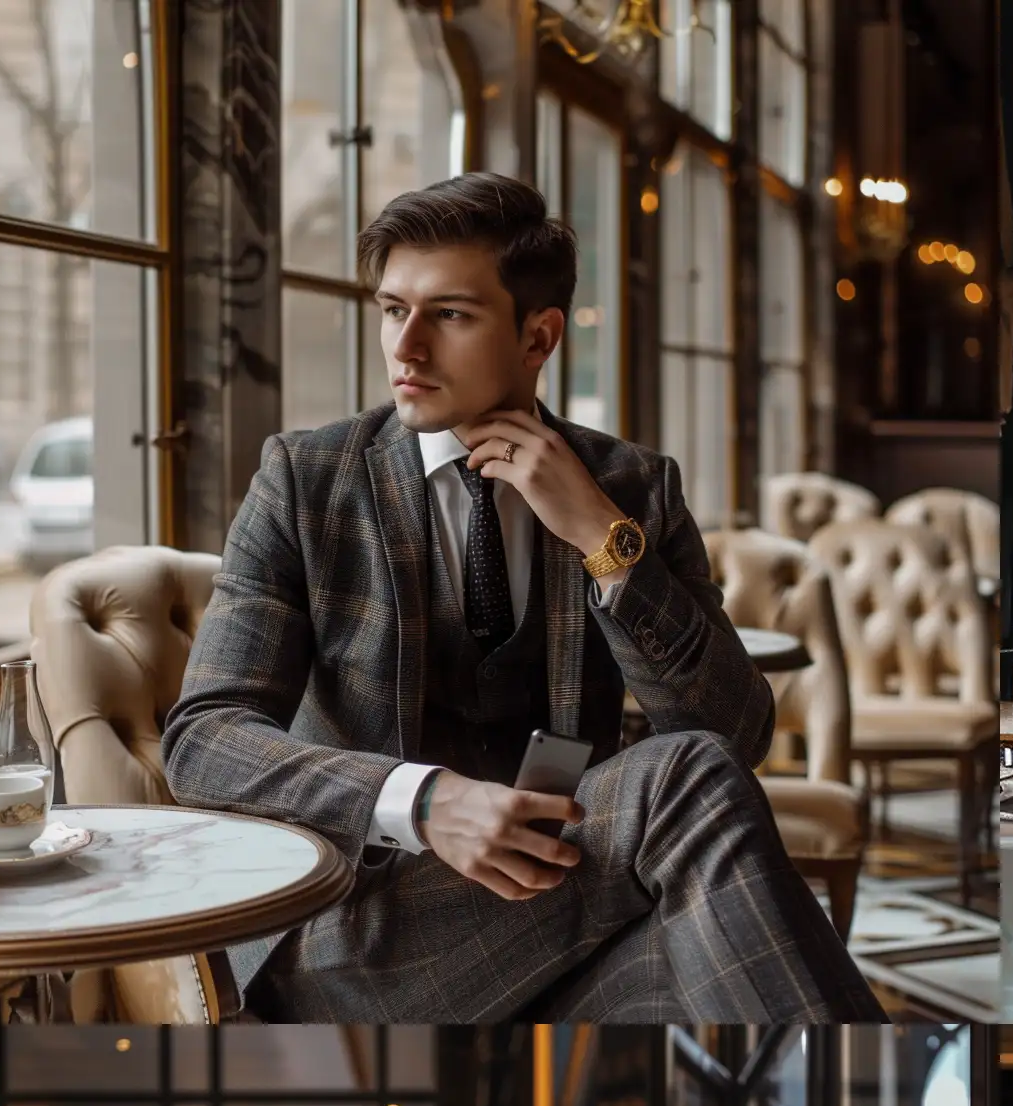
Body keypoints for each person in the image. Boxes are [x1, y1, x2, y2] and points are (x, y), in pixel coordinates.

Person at [166, 172, 881, 1024]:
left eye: (451, 316)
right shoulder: (308, 480)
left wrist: (604, 541)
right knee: (681, 788)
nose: (408, 349)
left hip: (553, 923)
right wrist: (424, 802)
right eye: (395, 310)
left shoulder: (629, 488)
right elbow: (204, 741)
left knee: (729, 964)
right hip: (356, 935)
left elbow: (736, 731)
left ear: (538, 337)